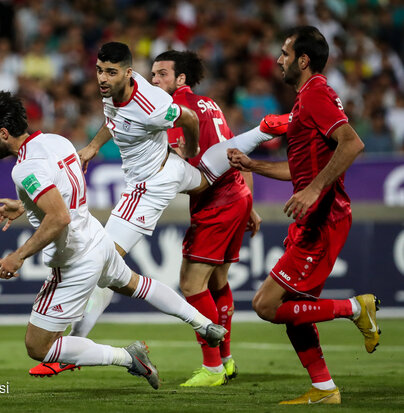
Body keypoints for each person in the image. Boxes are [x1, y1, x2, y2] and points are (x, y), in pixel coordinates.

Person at [30, 41, 282, 377]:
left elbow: (187, 118)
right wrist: (92, 146)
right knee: (206, 176)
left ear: (128, 73)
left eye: (111, 72)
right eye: (100, 71)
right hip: (179, 171)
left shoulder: (154, 104)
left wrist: (189, 146)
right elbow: (115, 119)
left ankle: (71, 348)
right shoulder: (115, 91)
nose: (103, 78)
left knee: (99, 261)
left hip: (149, 185)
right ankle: (261, 131)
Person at [0, 90, 228, 390]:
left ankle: (128, 357)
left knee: (38, 347)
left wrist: (19, 255)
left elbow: (58, 217)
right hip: (97, 238)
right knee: (135, 284)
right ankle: (204, 324)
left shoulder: (24, 168)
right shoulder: (56, 140)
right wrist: (25, 206)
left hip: (75, 260)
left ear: (3, 132)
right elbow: (62, 193)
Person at [227, 26, 380, 405]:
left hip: (324, 219)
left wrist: (313, 191)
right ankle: (325, 389)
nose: (279, 59)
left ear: (303, 59)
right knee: (296, 309)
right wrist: (253, 165)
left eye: (284, 52)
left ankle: (354, 308)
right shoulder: (305, 101)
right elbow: (302, 169)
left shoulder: (315, 95)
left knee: (266, 304)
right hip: (314, 219)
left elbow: (352, 143)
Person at [150, 50, 261, 387]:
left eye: (162, 74)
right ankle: (225, 361)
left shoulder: (176, 111)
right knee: (217, 282)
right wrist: (250, 203)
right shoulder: (210, 104)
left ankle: (211, 367)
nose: (154, 80)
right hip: (236, 194)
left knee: (191, 284)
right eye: (152, 74)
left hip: (216, 202)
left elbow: (177, 162)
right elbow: (233, 151)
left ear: (181, 79)